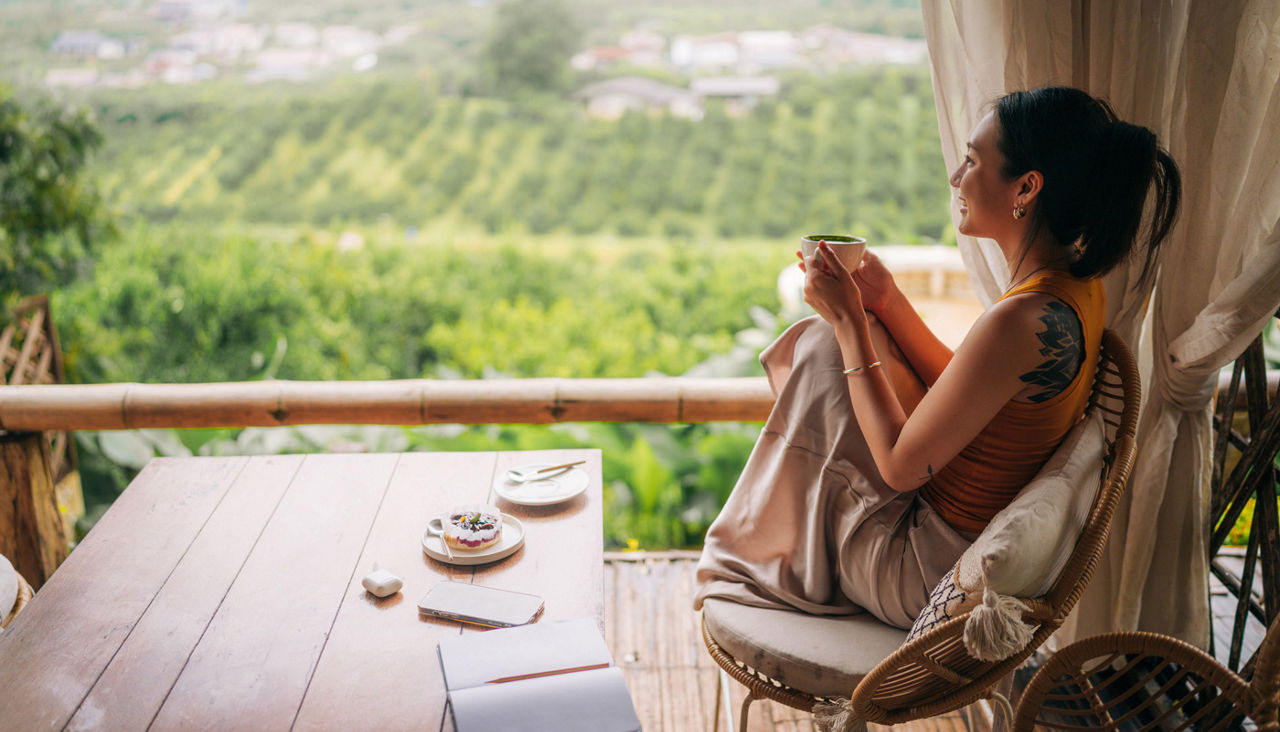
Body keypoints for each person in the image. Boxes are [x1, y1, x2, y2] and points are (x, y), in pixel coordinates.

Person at [694, 86, 1181, 629]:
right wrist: (886, 302)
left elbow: (903, 469)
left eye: (972, 160)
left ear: (1026, 187)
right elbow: (969, 389)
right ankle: (766, 526)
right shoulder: (1077, 288)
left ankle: (760, 538)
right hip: (946, 541)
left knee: (822, 345)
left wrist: (851, 322)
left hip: (916, 571)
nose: (957, 178)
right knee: (842, 344)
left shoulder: (1018, 320)